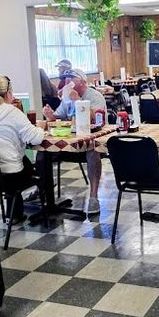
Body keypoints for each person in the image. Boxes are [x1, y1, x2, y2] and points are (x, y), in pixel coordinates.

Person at [0, 75, 45, 221]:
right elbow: (35, 138)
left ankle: (15, 213)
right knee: (31, 164)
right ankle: (43, 204)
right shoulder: (12, 112)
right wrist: (41, 127)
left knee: (14, 159)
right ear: (8, 93)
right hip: (11, 178)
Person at [43, 69, 107, 214]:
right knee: (43, 151)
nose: (67, 82)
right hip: (69, 142)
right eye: (65, 79)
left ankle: (93, 197)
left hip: (90, 140)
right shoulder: (67, 97)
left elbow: (96, 119)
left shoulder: (95, 96)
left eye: (71, 79)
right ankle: (41, 190)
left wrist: (78, 100)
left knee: (93, 149)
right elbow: (58, 117)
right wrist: (50, 115)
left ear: (82, 81)